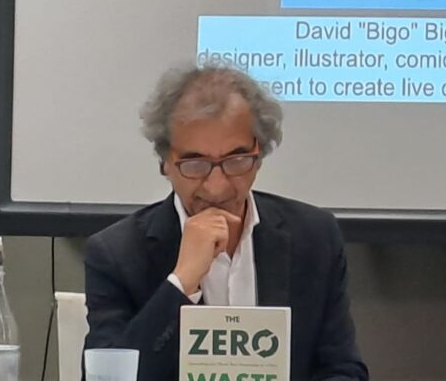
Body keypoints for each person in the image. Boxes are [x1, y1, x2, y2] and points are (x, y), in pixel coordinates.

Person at [83, 64, 368, 381]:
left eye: (236, 160)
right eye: (195, 164)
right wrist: (180, 282)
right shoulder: (117, 254)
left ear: (259, 154)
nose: (216, 187)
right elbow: (107, 378)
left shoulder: (314, 237)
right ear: (165, 162)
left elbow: (342, 369)